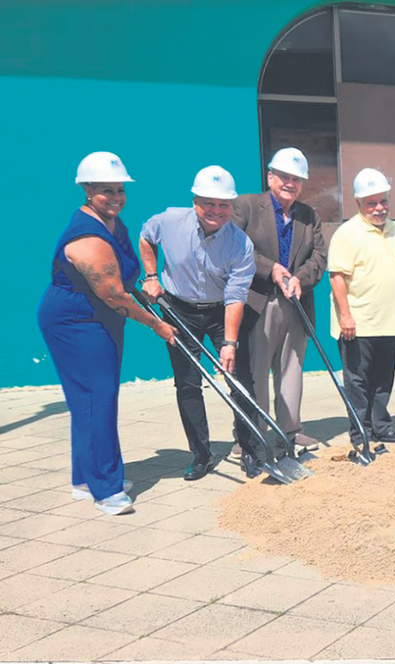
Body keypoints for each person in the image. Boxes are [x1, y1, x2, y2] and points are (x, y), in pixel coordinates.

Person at [38, 152, 177, 516]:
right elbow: (113, 294)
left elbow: (126, 276)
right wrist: (157, 325)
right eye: (105, 191)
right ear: (86, 190)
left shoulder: (114, 222)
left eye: (119, 189)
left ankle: (85, 479)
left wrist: (148, 284)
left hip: (102, 317)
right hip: (76, 320)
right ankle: (106, 489)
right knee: (96, 399)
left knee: (93, 398)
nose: (115, 196)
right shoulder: (87, 237)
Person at [139, 166, 256, 481]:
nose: (216, 210)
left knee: (240, 380)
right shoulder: (169, 221)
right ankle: (201, 454)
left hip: (220, 312)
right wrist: (151, 276)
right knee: (188, 384)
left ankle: (251, 450)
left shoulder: (241, 244)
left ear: (232, 206)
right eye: (209, 203)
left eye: (223, 205)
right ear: (195, 201)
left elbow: (235, 296)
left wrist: (229, 343)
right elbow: (146, 238)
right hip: (178, 310)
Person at [231, 147, 328, 457]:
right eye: (284, 177)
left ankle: (290, 429)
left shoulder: (308, 215)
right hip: (258, 301)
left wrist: (300, 277)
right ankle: (251, 432)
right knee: (255, 371)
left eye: (297, 179)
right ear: (270, 176)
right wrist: (270, 269)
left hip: (295, 302)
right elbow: (234, 246)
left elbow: (320, 256)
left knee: (291, 368)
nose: (291, 183)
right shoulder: (246, 206)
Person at [328, 168, 395, 446]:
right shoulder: (346, 233)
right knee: (358, 382)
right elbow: (336, 277)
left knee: (383, 379)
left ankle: (381, 427)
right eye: (371, 203)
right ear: (358, 204)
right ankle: (359, 432)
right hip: (357, 323)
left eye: (383, 201)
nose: (379, 208)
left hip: (388, 320)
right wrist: (345, 317)